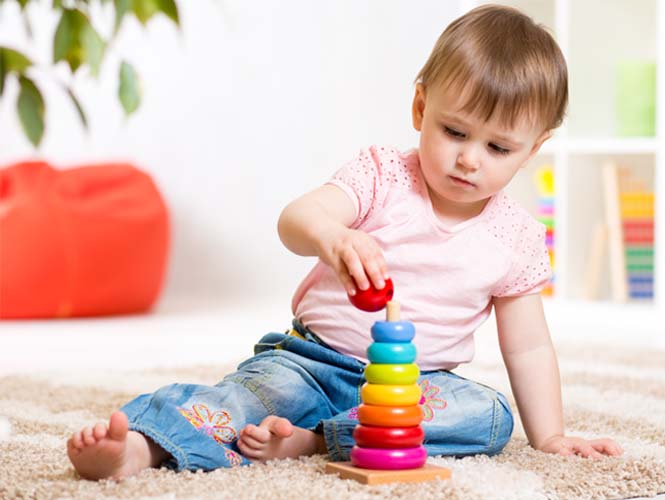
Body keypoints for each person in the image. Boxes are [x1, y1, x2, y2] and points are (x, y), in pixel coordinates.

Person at [67, 4, 622, 480]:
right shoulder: (381, 174)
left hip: (412, 388)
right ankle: (138, 448)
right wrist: (330, 235)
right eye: (454, 131)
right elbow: (296, 218)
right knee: (242, 400)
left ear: (533, 149)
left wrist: (549, 436)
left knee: (492, 416)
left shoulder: (517, 238)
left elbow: (526, 346)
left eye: (499, 147)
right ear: (421, 108)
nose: (469, 158)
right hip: (311, 361)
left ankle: (318, 439)